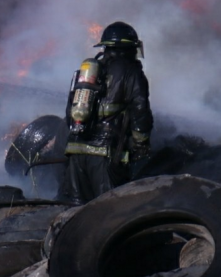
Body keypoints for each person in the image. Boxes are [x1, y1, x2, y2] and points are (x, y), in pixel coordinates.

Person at [58, 21, 153, 205]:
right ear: (129, 48)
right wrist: (141, 145)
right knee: (108, 211)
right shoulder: (132, 72)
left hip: (75, 152)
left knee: (75, 213)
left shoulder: (89, 73)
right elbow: (140, 110)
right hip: (105, 155)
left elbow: (71, 109)